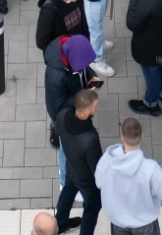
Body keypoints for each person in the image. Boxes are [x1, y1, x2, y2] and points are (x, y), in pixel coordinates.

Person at [97, 115, 162, 232]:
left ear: (122, 138)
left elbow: (99, 183)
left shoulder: (107, 160)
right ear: (142, 136)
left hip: (118, 222)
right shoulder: (150, 169)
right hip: (144, 225)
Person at [57, 87, 105, 235]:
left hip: (71, 167)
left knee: (67, 194)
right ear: (86, 113)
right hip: (87, 180)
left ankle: (59, 224)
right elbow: (97, 167)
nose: (95, 109)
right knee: (91, 210)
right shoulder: (89, 138)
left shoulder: (62, 115)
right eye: (94, 107)